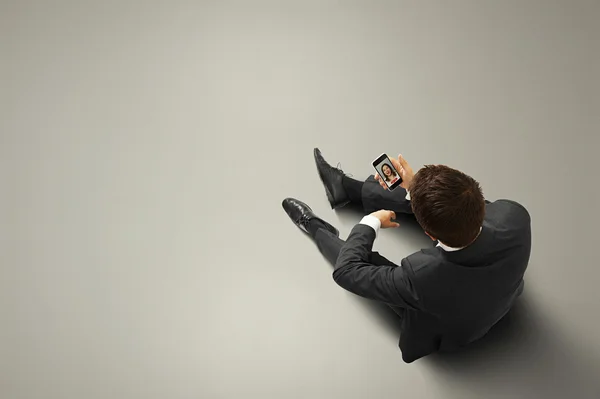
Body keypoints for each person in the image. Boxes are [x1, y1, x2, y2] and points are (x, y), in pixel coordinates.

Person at [282, 148, 531, 363]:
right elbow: (460, 207)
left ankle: (314, 227)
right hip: (500, 297)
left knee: (364, 261)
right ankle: (345, 189)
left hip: (452, 332)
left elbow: (346, 272)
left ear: (428, 234)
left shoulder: (421, 276)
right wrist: (413, 187)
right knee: (446, 207)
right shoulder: (514, 215)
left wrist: (370, 223)